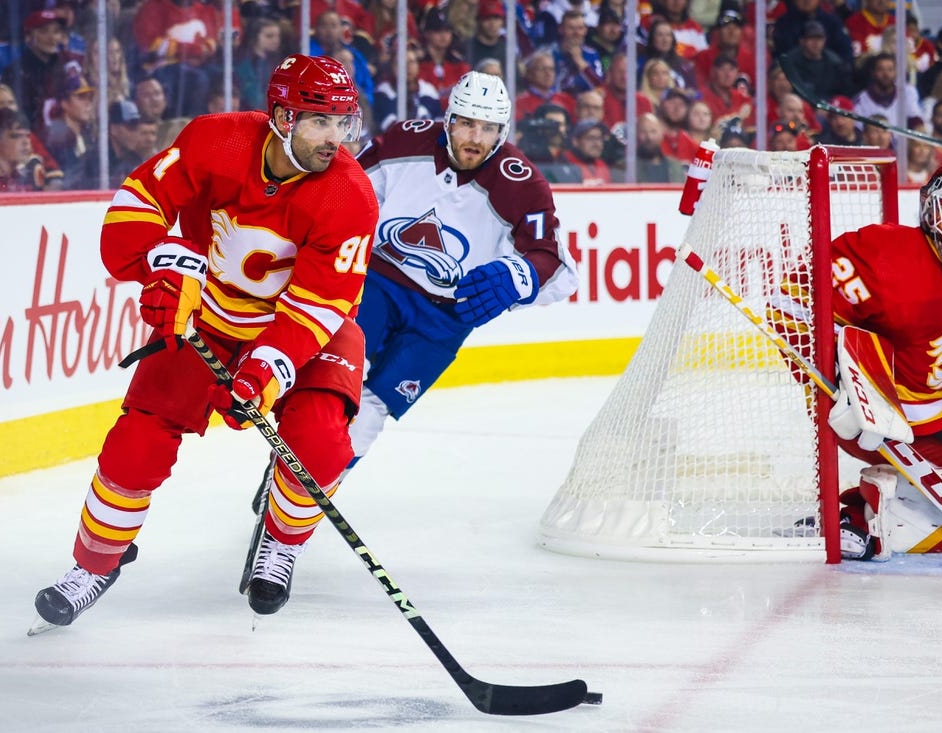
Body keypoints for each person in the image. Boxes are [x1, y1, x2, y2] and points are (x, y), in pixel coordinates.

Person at [30, 54, 378, 631]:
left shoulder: (351, 195)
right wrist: (159, 269)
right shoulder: (214, 142)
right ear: (282, 118)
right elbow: (137, 206)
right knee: (135, 445)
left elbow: (318, 305)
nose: (334, 137)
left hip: (305, 328)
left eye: (342, 122)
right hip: (208, 320)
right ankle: (95, 564)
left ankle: (282, 541)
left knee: (319, 445)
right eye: (320, 121)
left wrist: (268, 369)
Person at [346, 70, 578, 471]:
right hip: (379, 282)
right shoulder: (404, 140)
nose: (475, 138)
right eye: (467, 123)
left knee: (373, 407)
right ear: (449, 119)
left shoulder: (522, 185)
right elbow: (346, 193)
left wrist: (518, 277)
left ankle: (308, 492)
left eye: (488, 128)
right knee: (340, 379)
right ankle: (294, 475)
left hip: (445, 315)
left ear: (502, 131)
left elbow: (556, 266)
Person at [774, 164, 942, 559]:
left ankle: (877, 503)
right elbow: (790, 303)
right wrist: (836, 384)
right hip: (891, 420)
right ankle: (866, 518)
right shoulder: (883, 254)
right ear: (931, 210)